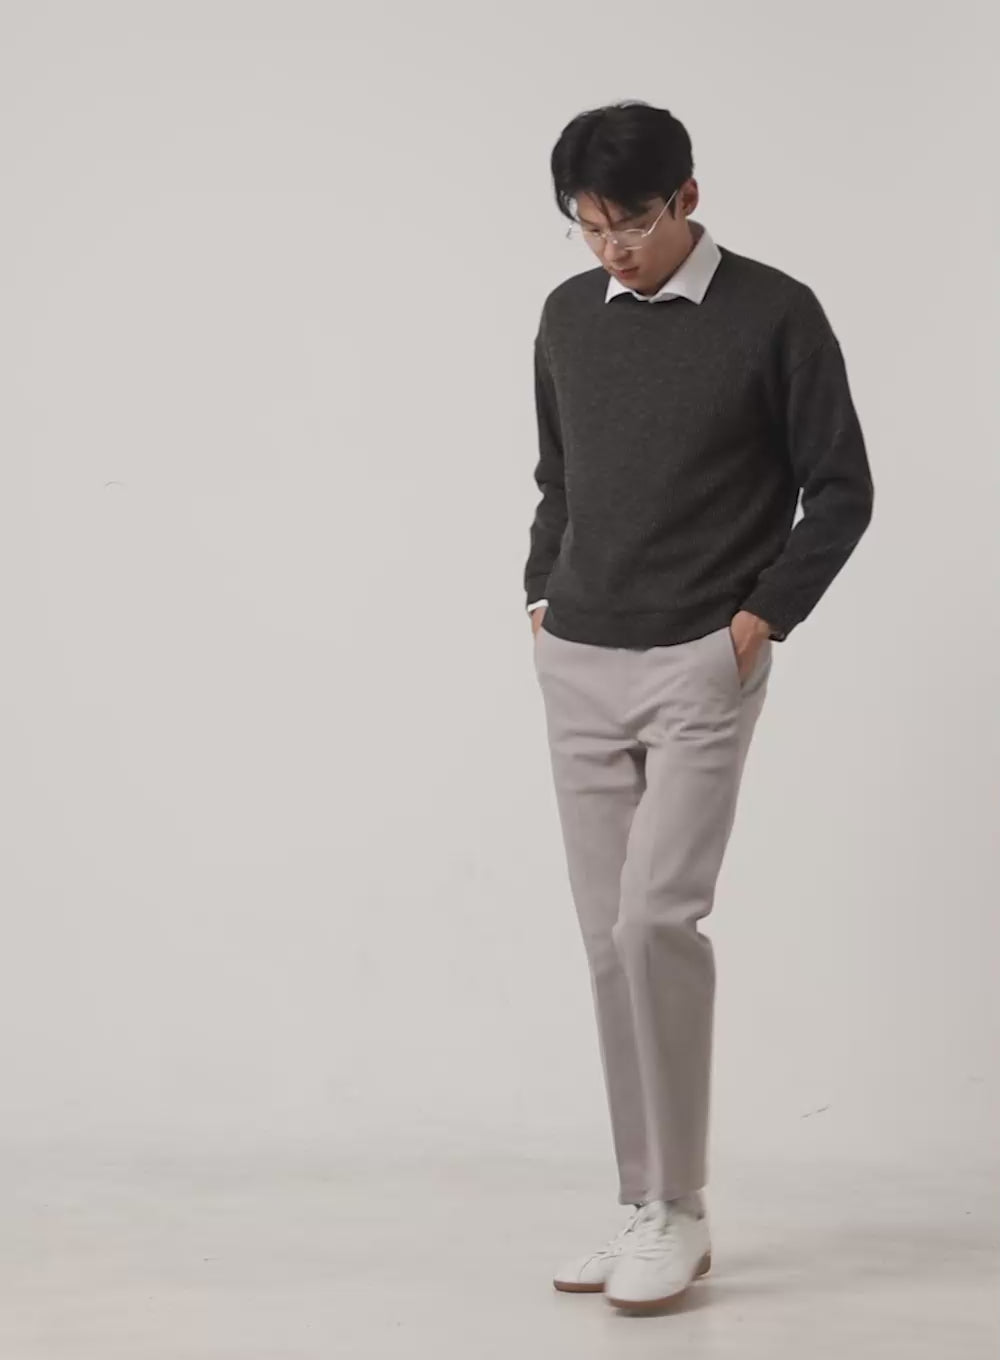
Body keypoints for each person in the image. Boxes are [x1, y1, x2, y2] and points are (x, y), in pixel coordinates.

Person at [525, 100, 874, 1315]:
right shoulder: (567, 316)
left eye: (628, 221)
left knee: (653, 923)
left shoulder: (775, 312)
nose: (610, 248)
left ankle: (680, 1206)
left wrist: (758, 619)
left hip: (699, 658)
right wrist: (539, 591)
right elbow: (558, 477)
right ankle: (642, 1200)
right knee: (603, 941)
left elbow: (840, 489)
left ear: (685, 197)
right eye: (587, 227)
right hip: (577, 652)